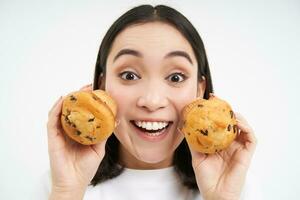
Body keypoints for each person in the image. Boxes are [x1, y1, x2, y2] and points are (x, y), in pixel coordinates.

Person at [45, 4, 258, 200]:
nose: (152, 101)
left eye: (176, 77)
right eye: (129, 75)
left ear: (200, 91)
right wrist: (67, 192)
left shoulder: (236, 187)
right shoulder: (59, 184)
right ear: (102, 86)